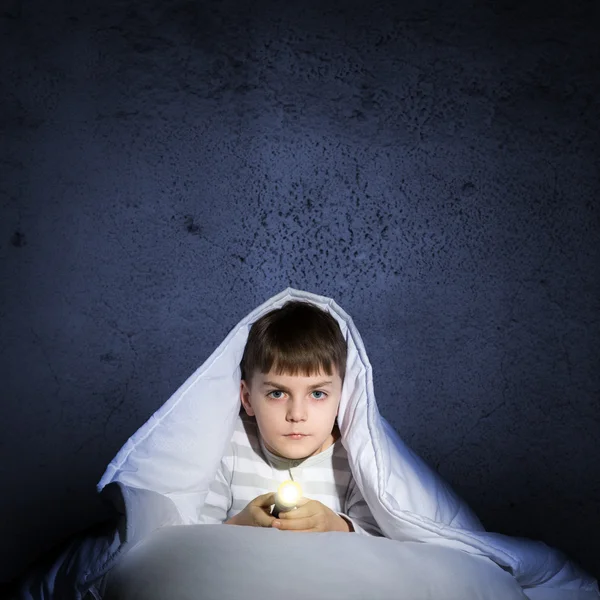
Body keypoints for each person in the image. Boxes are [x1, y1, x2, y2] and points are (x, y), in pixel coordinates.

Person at [198, 300, 382, 536]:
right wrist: (240, 524)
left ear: (343, 397)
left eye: (317, 394)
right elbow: (196, 541)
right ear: (247, 398)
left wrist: (337, 526)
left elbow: (380, 545)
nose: (296, 414)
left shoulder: (355, 456)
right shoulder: (227, 445)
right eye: (277, 393)